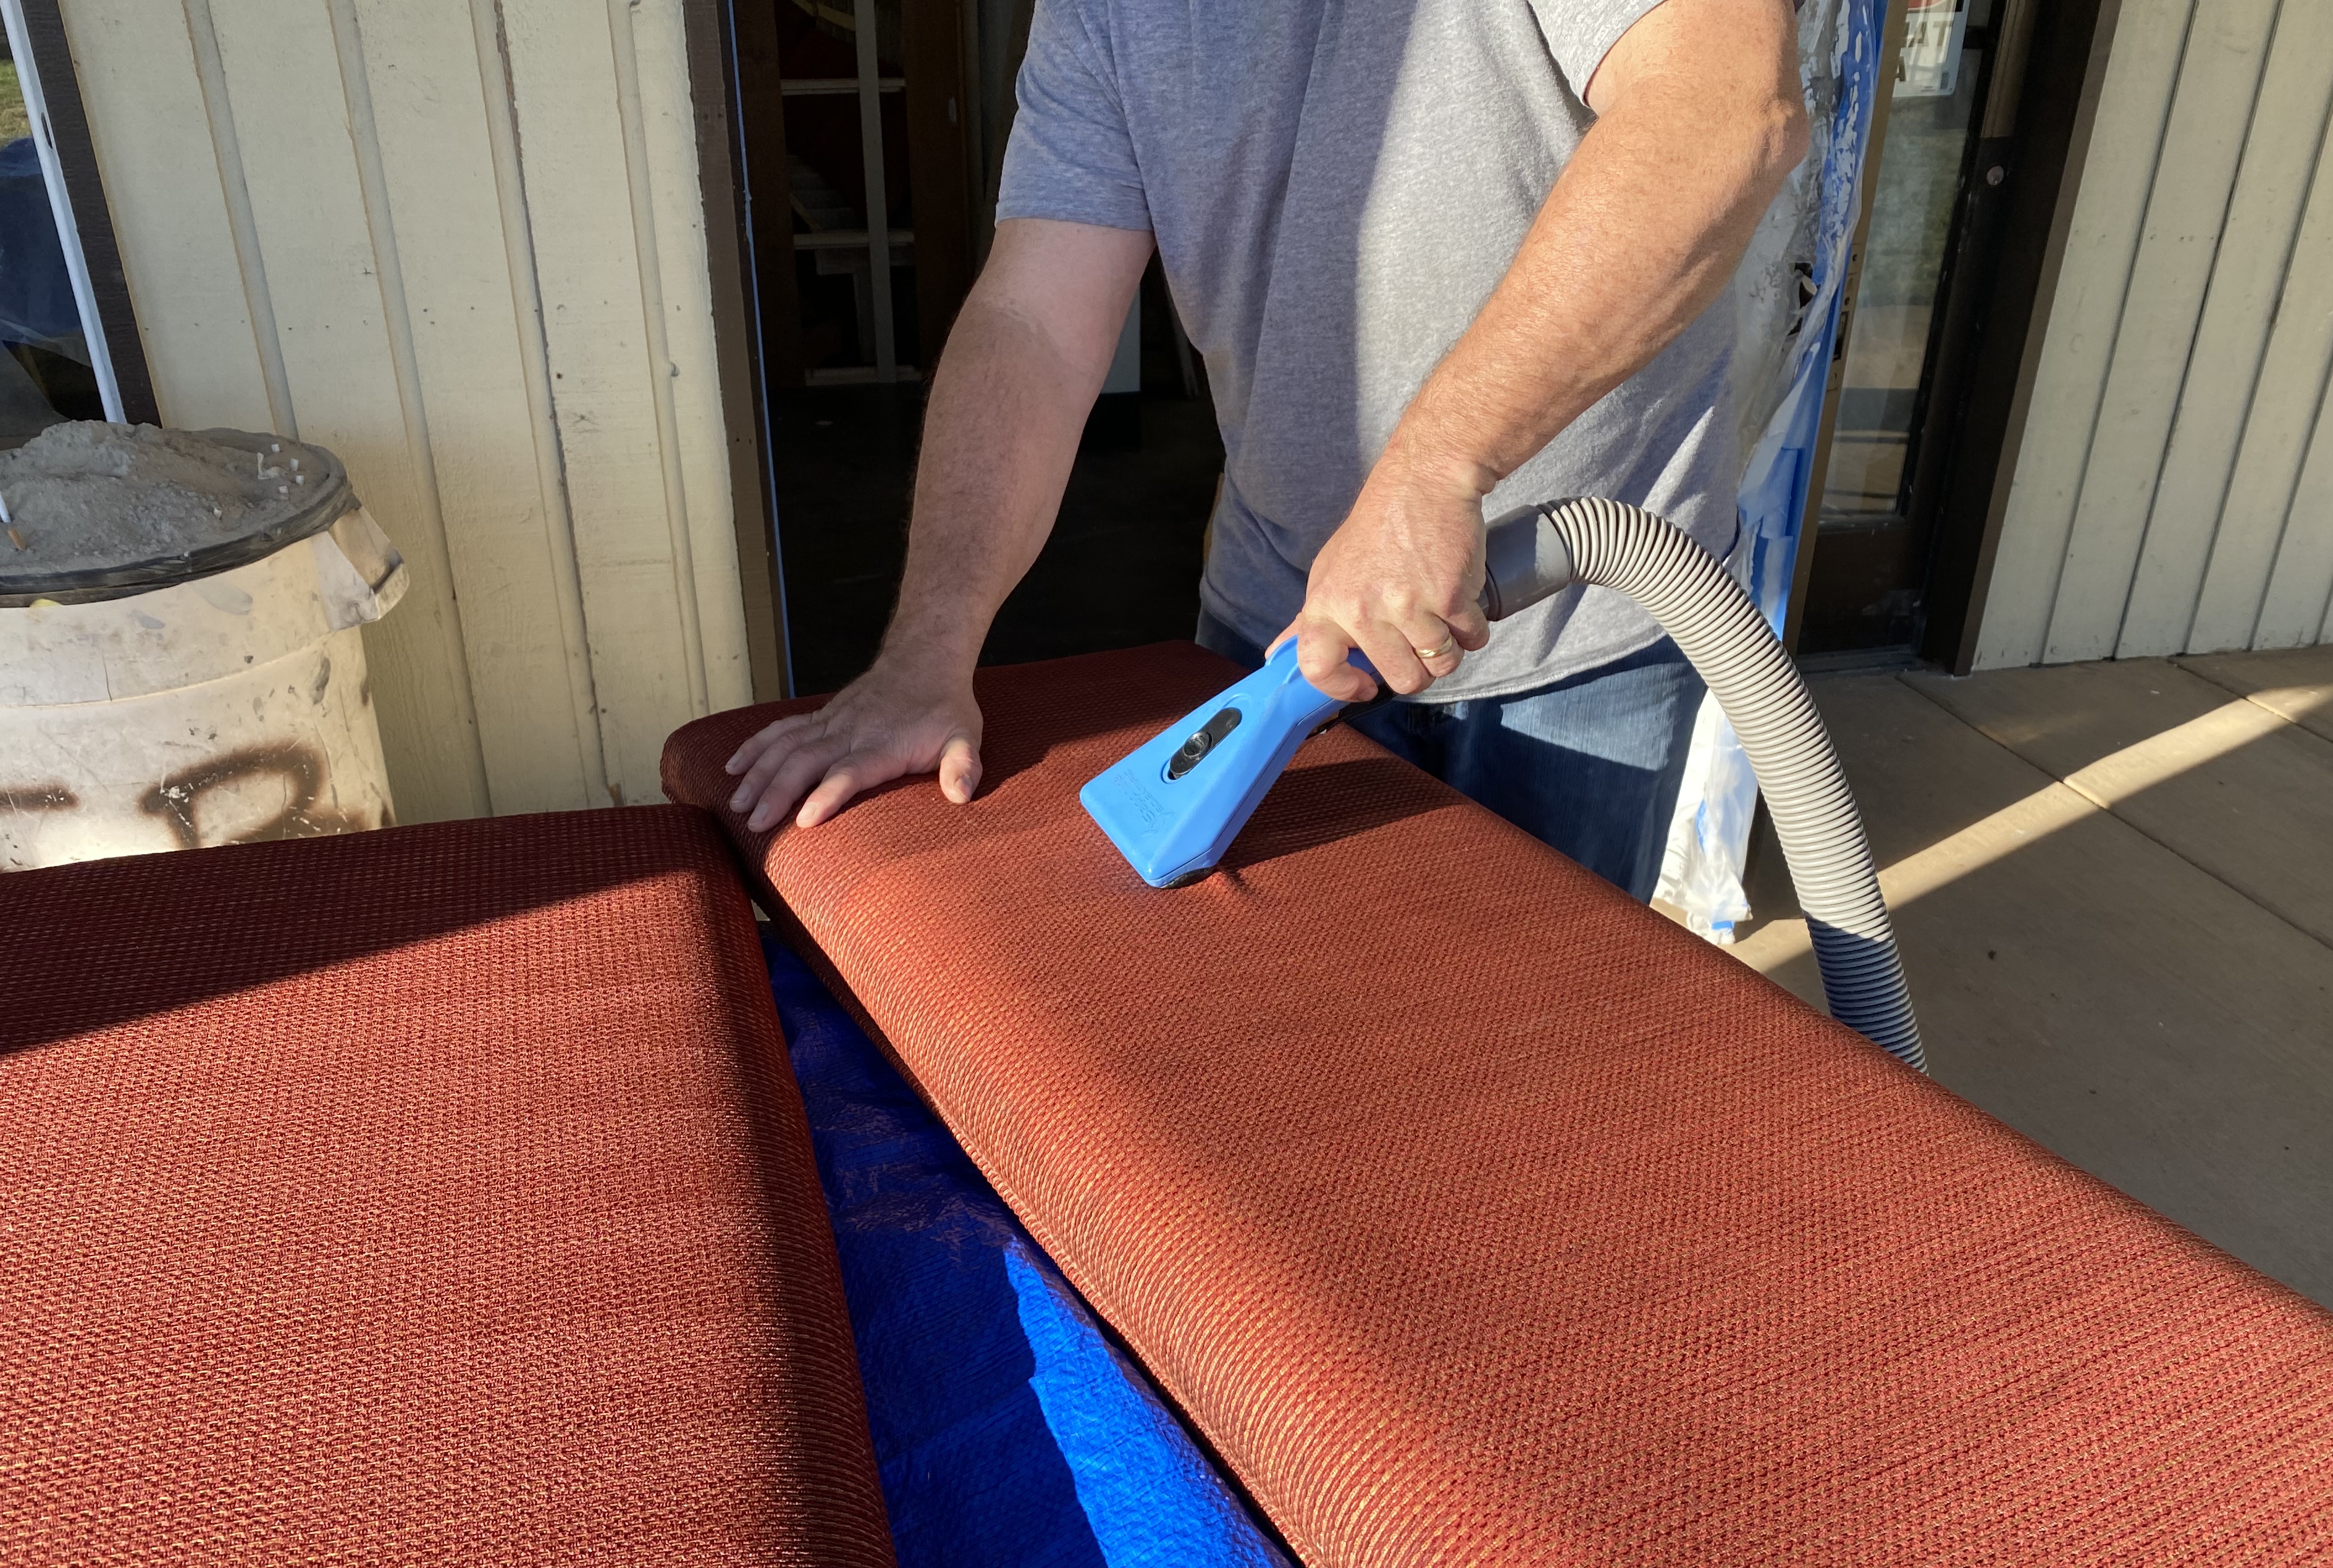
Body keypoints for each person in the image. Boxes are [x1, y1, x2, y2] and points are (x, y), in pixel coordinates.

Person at [727, 0, 1809, 899]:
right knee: (1287, 1037)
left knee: (1538, 1043)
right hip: (1284, 619)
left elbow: (1723, 112)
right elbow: (1035, 325)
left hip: (1584, 620)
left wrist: (1437, 468)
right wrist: (927, 652)